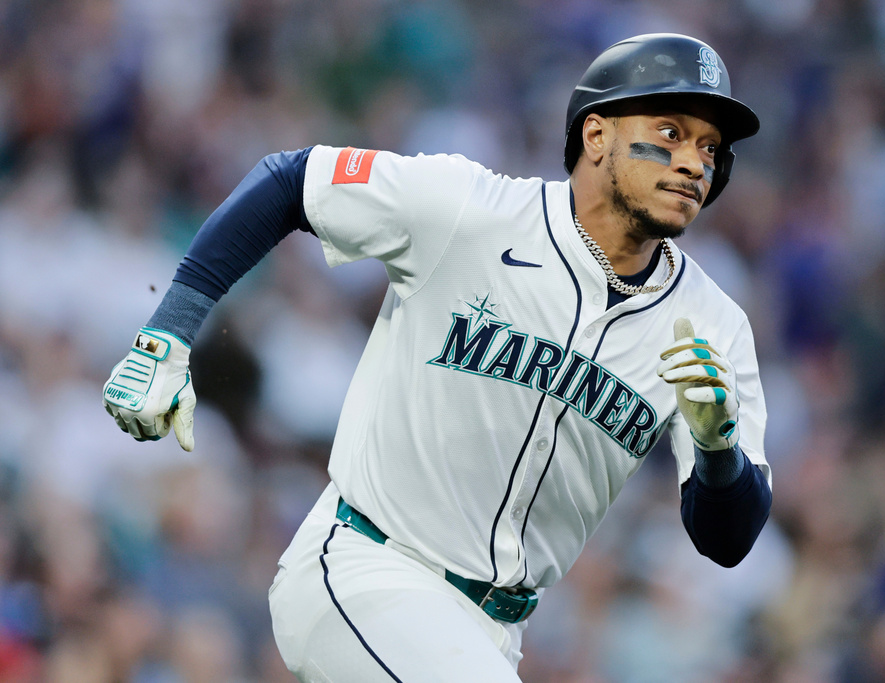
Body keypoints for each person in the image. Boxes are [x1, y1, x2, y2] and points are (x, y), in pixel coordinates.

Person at [102, 33, 773, 682]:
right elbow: (292, 181)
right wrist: (169, 332)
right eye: (670, 131)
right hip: (367, 570)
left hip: (494, 633)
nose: (694, 161)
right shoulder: (470, 209)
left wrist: (718, 448)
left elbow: (727, 538)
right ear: (596, 136)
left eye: (711, 147)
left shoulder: (714, 325)